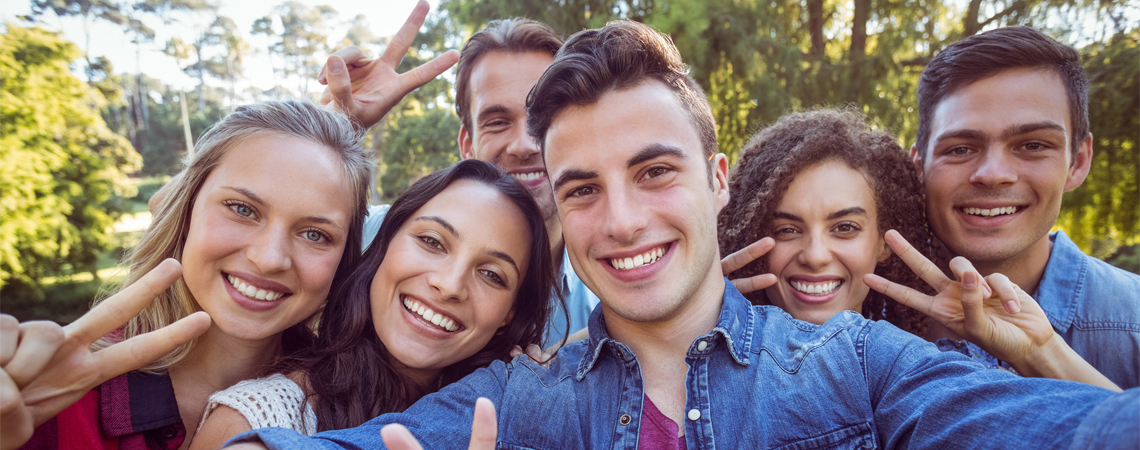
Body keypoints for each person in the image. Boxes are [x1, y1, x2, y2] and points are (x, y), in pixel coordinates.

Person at [226, 21, 1137, 450]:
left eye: (655, 172)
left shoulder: (858, 365)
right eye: (582, 188)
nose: (621, 221)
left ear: (716, 178)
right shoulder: (519, 398)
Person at [1, 100, 372, 450]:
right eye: (242, 209)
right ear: (185, 209)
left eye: (315, 234)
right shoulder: (50, 395)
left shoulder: (360, 404)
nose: (269, 258)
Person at [717, 108, 1119, 390]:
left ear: (885, 243)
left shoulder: (917, 372)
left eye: (845, 227)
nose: (816, 254)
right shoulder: (709, 363)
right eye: (788, 229)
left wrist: (1040, 351)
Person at [189, 159, 555, 448]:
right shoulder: (252, 423)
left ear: (509, 314)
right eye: (432, 241)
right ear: (383, 247)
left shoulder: (517, 408)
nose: (449, 285)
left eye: (492, 274)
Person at [911, 25, 1140, 389]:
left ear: (1078, 162)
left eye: (1033, 145)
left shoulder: (1133, 324)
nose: (993, 175)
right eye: (960, 148)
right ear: (918, 167)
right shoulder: (851, 309)